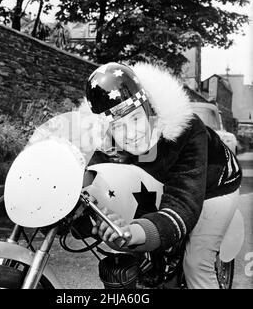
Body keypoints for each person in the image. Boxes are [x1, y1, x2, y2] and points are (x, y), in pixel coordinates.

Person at [82, 61, 242, 289]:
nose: (131, 134)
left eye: (135, 119)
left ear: (150, 108)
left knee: (197, 264)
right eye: (118, 126)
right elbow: (94, 182)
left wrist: (135, 232)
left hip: (215, 186)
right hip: (165, 181)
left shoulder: (186, 130)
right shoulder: (108, 146)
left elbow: (182, 204)